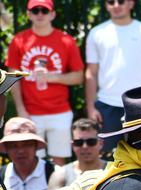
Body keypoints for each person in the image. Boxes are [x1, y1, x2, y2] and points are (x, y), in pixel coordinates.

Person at [5, 0, 84, 166]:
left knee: (59, 162)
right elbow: (13, 77)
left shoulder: (66, 41)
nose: (40, 14)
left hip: (59, 111)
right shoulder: (18, 41)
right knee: (32, 161)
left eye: (44, 11)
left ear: (52, 14)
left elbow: (78, 77)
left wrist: (52, 77)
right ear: (28, 14)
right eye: (35, 10)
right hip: (30, 112)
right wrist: (20, 109)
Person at [85, 0, 141, 152]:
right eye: (110, 2)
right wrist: (90, 107)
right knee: (107, 158)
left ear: (131, 3)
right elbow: (91, 73)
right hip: (107, 106)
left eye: (120, 1)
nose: (116, 5)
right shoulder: (96, 33)